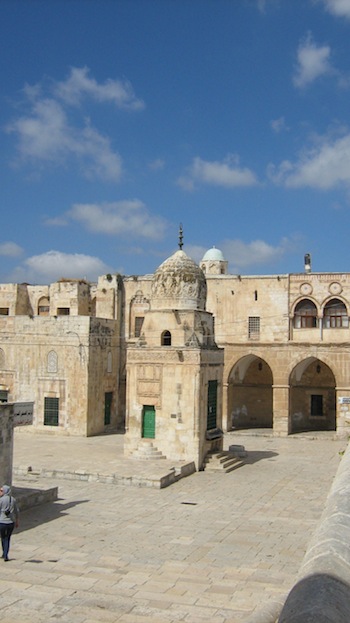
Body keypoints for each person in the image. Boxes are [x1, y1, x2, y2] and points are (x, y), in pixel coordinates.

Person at [0, 485, 19, 561]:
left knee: (3, 537)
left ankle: (4, 553)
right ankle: (5, 554)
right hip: (11, 522)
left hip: (2, 522)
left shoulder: (1, 500)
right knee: (7, 538)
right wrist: (17, 520)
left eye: (1, 490)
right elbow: (16, 511)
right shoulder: (13, 499)